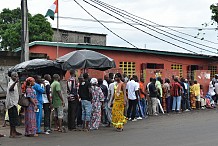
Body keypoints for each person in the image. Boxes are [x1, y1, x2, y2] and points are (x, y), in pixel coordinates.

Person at [5, 72, 22, 138]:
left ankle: (14, 131)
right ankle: (12, 133)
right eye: (14, 76)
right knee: (12, 119)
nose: (16, 77)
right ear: (11, 77)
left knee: (15, 118)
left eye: (17, 76)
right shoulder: (11, 83)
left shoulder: (15, 83)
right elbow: (10, 89)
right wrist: (15, 82)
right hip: (11, 104)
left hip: (14, 103)